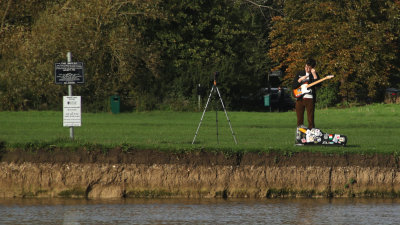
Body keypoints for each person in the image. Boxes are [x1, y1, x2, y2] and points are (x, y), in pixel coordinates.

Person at [292, 58, 320, 129]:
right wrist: (300, 80)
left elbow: (318, 86)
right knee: (299, 117)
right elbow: (294, 86)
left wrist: (314, 75)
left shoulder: (314, 74)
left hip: (310, 98)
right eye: (306, 66)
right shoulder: (300, 73)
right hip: (299, 98)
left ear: (312, 68)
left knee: (310, 118)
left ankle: (311, 131)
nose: (307, 68)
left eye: (309, 67)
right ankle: (300, 132)